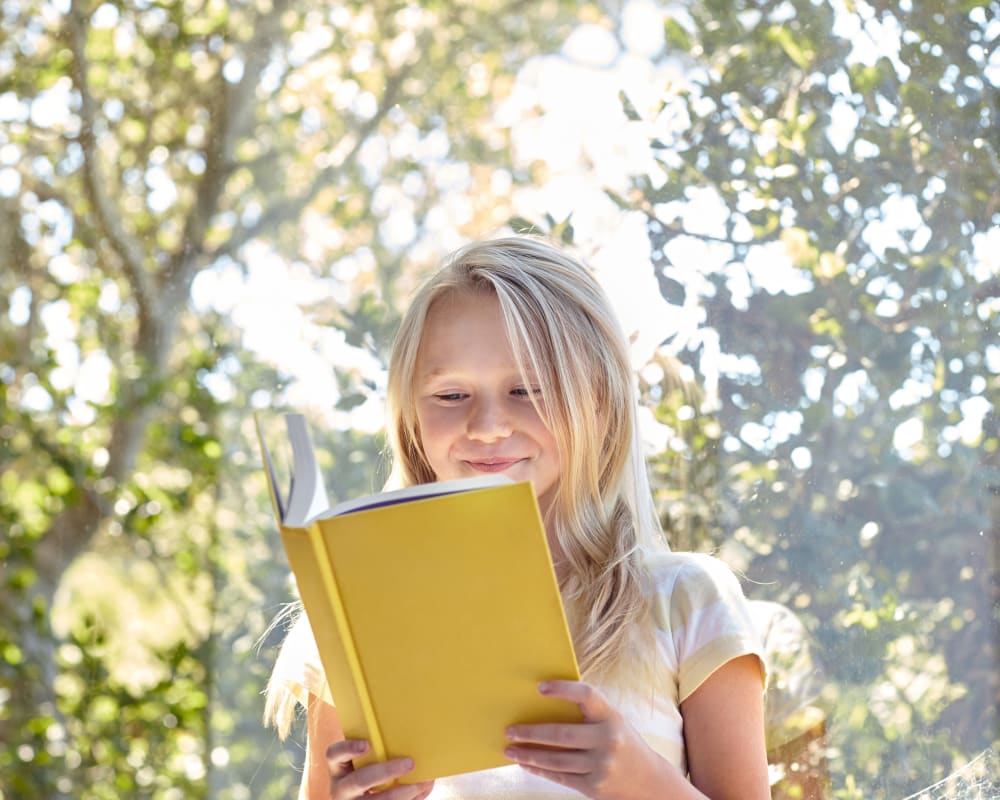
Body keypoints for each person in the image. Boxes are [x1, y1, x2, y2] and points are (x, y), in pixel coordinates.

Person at [264, 235, 771, 799]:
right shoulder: (357, 620)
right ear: (410, 417)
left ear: (599, 400)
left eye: (527, 389)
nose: (487, 426)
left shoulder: (686, 600)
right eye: (451, 395)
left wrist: (640, 781)